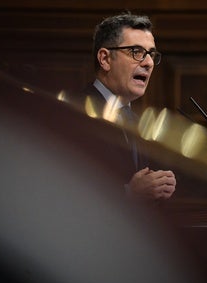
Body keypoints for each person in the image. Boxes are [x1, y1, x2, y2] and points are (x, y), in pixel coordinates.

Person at [69, 11, 177, 203]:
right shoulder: (74, 114)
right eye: (137, 52)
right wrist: (130, 193)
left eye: (151, 54)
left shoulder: (135, 123)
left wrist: (156, 187)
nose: (149, 63)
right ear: (105, 59)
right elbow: (63, 192)